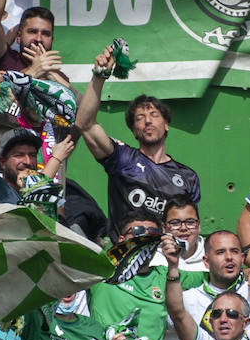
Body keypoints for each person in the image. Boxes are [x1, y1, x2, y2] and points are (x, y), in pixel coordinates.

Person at [75, 80, 201, 232]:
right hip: (127, 252)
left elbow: (190, 226)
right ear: (134, 130)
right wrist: (99, 76)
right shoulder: (122, 159)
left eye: (154, 115)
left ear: (166, 124)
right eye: (140, 118)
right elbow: (85, 123)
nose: (148, 121)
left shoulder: (188, 177)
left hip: (168, 253)